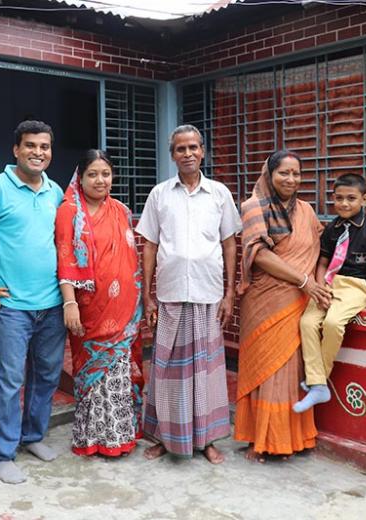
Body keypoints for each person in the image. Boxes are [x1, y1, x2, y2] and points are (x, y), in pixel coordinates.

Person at [0, 120, 66, 484]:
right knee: (9, 380)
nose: (38, 152)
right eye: (31, 145)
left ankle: (33, 436)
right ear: (16, 150)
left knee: (47, 375)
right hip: (12, 307)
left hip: (52, 304)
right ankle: (1, 453)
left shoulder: (55, 192)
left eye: (45, 146)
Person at [137, 124, 242, 464]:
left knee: (206, 371)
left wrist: (229, 294)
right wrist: (148, 295)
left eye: (193, 147)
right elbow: (150, 244)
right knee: (166, 370)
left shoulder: (219, 194)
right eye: (180, 149)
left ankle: (207, 440)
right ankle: (165, 439)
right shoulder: (159, 194)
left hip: (208, 294)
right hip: (169, 295)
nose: (187, 154)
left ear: (203, 151)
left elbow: (229, 244)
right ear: (172, 155)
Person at [234, 150, 332, 463]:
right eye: (283, 173)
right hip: (266, 299)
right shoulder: (252, 207)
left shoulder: (306, 211)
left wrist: (318, 286)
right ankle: (260, 439)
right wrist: (305, 282)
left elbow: (320, 252)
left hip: (302, 300)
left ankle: (292, 437)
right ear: (270, 174)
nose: (291, 179)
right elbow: (259, 255)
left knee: (291, 371)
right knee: (266, 369)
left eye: (296, 174)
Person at [54, 149, 145, 457]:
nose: (100, 180)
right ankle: (92, 438)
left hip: (123, 309)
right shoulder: (68, 211)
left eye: (105, 174)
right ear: (80, 178)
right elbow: (65, 257)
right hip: (89, 309)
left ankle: (121, 436)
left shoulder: (120, 209)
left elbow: (131, 257)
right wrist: (70, 303)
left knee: (120, 371)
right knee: (93, 372)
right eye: (92, 174)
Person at [293, 173, 366, 413]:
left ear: (364, 199)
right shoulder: (332, 228)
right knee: (307, 322)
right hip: (330, 283)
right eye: (339, 198)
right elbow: (323, 261)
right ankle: (318, 385)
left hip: (357, 285)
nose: (344, 203)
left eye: (351, 198)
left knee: (334, 323)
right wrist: (319, 285)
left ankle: (317, 381)